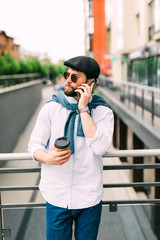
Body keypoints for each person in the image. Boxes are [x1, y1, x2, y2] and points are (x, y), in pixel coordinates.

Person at [28, 56, 114, 240]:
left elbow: (100, 147)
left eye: (75, 78)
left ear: (90, 84)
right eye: (67, 74)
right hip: (56, 196)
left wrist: (83, 109)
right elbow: (34, 144)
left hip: (89, 198)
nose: (67, 80)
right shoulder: (51, 108)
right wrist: (46, 157)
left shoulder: (102, 112)